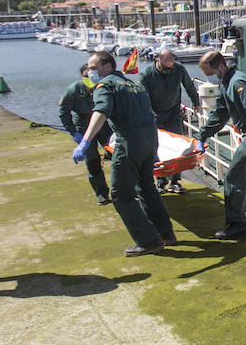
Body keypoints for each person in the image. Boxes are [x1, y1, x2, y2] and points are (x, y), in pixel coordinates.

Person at [73, 50, 175, 257]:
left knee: (120, 195)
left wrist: (85, 141)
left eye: (93, 68)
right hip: (149, 140)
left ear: (108, 67)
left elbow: (100, 111)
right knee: (146, 186)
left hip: (129, 142)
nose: (90, 73)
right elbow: (149, 114)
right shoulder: (134, 85)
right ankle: (165, 232)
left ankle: (148, 241)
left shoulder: (105, 85)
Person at [196, 49, 246, 239]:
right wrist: (202, 136)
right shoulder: (228, 82)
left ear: (220, 66)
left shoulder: (236, 83)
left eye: (210, 73)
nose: (210, 78)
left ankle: (237, 224)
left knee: (233, 178)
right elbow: (219, 113)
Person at [140, 47, 201, 194]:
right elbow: (142, 97)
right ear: (158, 61)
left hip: (174, 112)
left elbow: (189, 85)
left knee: (177, 147)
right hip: (154, 114)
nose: (169, 70)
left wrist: (195, 101)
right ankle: (161, 182)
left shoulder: (178, 69)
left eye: (171, 66)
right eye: (165, 67)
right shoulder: (146, 74)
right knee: (157, 147)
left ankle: (175, 181)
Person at [59, 64, 113, 206]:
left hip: (103, 124)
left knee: (117, 155)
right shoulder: (73, 90)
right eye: (85, 77)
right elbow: (63, 112)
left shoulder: (102, 86)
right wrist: (73, 132)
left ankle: (124, 188)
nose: (89, 79)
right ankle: (101, 193)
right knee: (93, 161)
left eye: (91, 76)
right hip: (83, 125)